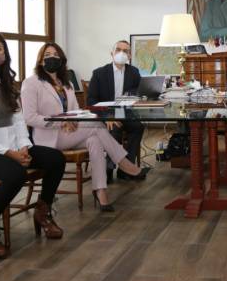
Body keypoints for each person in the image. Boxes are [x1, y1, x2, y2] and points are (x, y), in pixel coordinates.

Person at [0, 32, 65, 259]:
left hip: (12, 148)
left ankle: (43, 212)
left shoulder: (8, 84)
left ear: (5, 55)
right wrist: (9, 153)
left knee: (56, 159)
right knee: (16, 173)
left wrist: (24, 146)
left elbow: (18, 121)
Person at [22, 43, 148, 213]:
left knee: (95, 140)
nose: (52, 58)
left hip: (71, 132)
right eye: (47, 55)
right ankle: (124, 163)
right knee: (97, 125)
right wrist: (61, 122)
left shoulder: (66, 84)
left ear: (61, 60)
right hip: (49, 138)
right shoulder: (31, 83)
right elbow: (29, 117)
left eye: (56, 55)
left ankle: (100, 191)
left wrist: (75, 120)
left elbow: (76, 110)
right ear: (40, 60)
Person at [87, 40, 145, 183]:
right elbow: (91, 100)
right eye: (118, 49)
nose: (121, 53)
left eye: (125, 51)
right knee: (115, 129)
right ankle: (108, 169)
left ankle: (125, 169)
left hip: (125, 113)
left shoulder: (134, 72)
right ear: (111, 53)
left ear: (129, 56)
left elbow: (139, 92)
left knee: (138, 127)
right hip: (105, 115)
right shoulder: (99, 73)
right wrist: (106, 117)